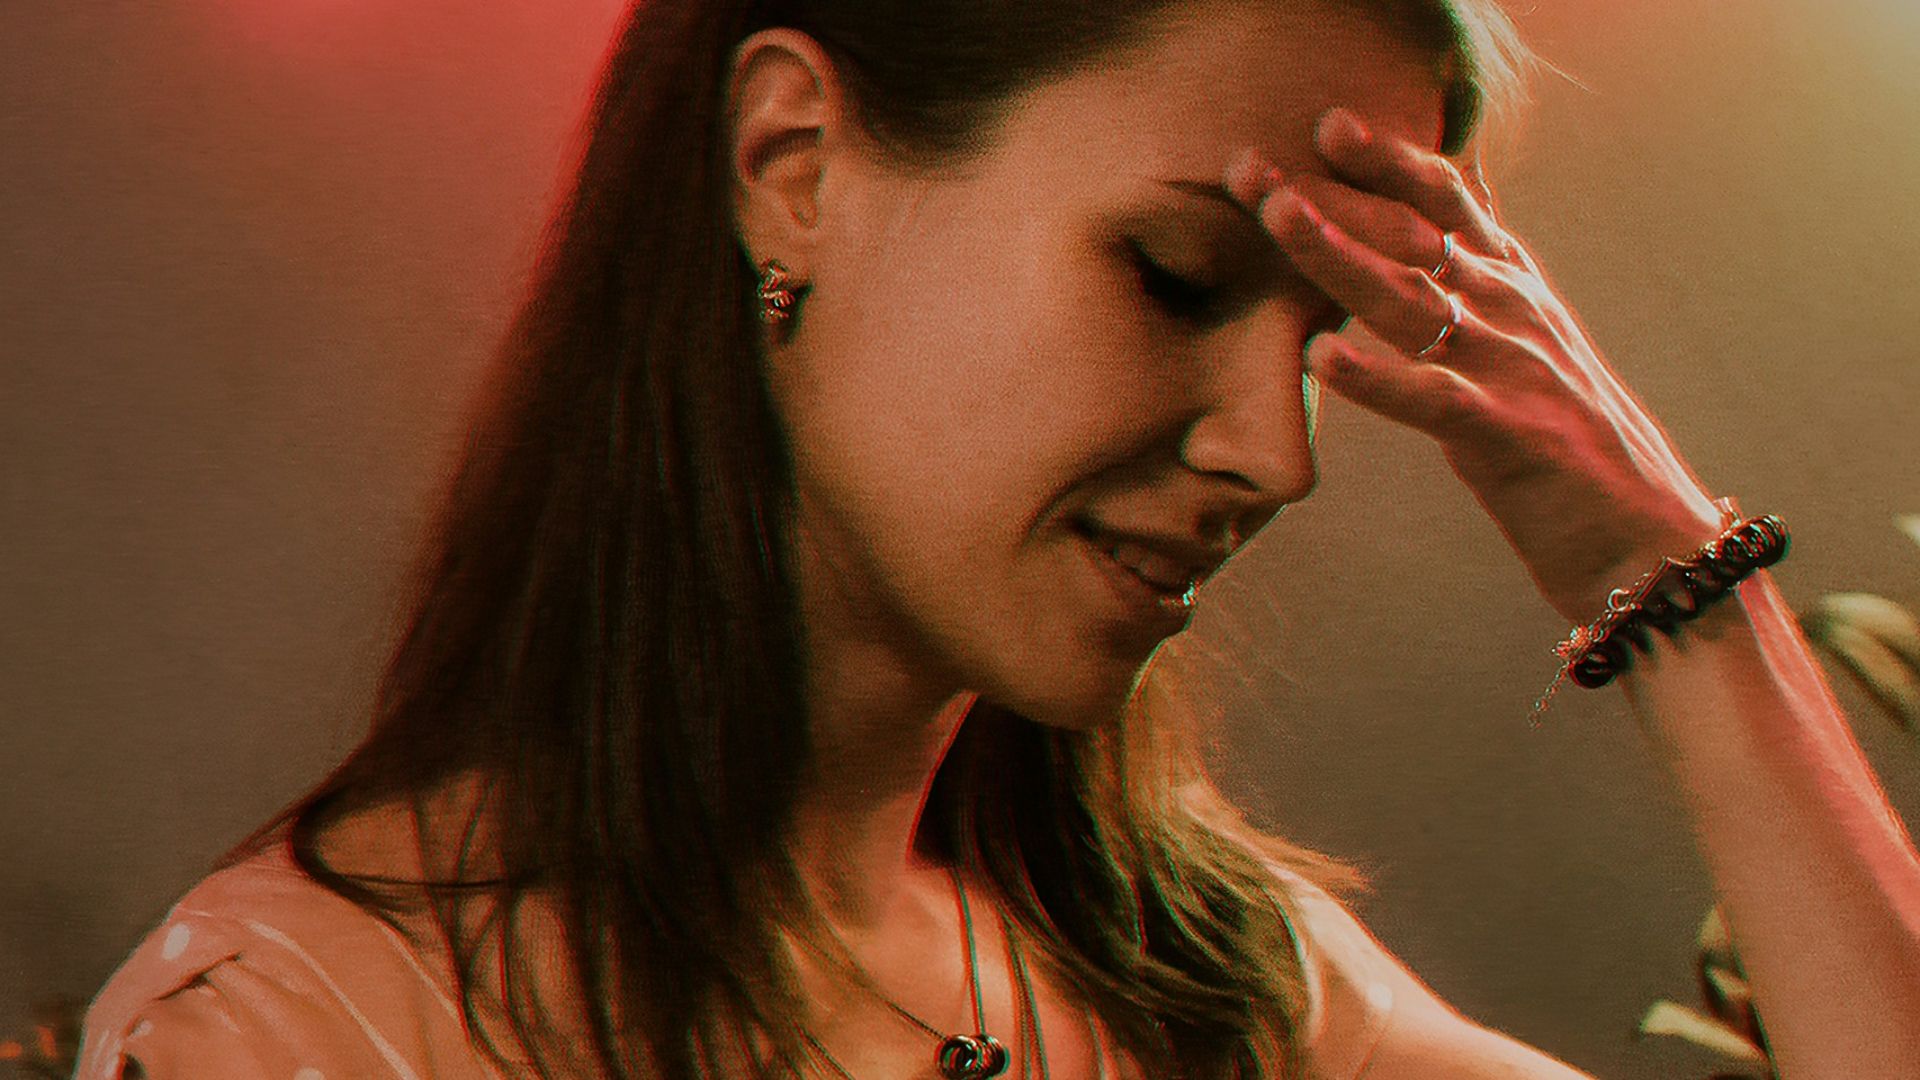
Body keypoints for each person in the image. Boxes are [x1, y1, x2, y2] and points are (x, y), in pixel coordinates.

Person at [73, 0, 1920, 1077]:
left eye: (1321, 341)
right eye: (1174, 274)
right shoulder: (311, 1023)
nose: (1277, 456)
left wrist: (1662, 571)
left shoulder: (1206, 983)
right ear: (793, 165)